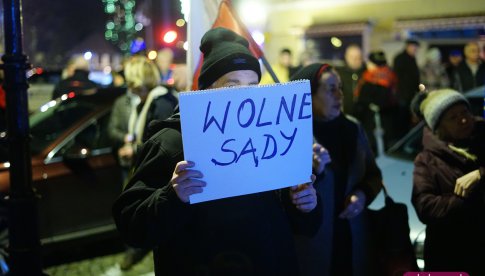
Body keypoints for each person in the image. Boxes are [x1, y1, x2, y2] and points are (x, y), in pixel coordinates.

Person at [112, 27, 321, 276]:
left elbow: (298, 224)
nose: (245, 96)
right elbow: (131, 226)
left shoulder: (270, 138)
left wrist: (304, 205)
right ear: (208, 90)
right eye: (233, 86)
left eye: (252, 85)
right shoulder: (170, 143)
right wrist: (172, 196)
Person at [290, 63, 383, 276]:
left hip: (354, 243)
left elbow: (373, 175)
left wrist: (362, 194)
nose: (340, 95)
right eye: (330, 89)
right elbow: (284, 200)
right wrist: (312, 171)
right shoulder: (293, 134)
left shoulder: (353, 128)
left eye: (340, 87)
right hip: (314, 250)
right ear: (309, 95)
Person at [107, 54, 178, 270]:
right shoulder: (144, 102)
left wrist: (135, 150)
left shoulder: (162, 102)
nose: (128, 84)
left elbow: (159, 145)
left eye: (130, 79)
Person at [410, 88, 485, 275]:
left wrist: (481, 174)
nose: (464, 119)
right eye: (453, 117)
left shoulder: (482, 138)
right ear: (439, 127)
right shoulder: (426, 161)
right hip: (455, 257)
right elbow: (425, 207)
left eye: (465, 112)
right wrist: (466, 199)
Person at [354, 50, 398, 155]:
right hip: (387, 123)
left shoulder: (370, 78)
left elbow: (362, 100)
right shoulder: (390, 75)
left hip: (374, 123)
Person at [393, 38, 421, 137]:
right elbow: (398, 78)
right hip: (403, 95)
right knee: (402, 121)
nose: (415, 50)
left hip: (411, 95)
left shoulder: (412, 59)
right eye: (414, 48)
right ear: (408, 46)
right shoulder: (400, 58)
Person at [336, 44, 367, 116]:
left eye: (357, 57)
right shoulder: (339, 74)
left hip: (365, 116)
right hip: (346, 114)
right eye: (351, 57)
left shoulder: (367, 73)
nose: (354, 60)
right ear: (346, 57)